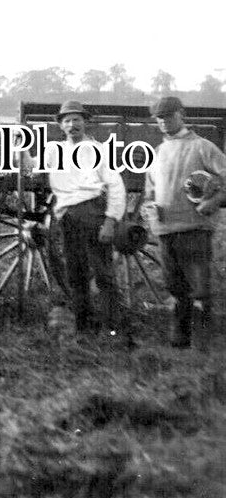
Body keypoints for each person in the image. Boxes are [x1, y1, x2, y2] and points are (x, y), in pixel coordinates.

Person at [145, 96, 226, 348]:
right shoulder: (157, 153)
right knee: (174, 287)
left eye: (168, 116)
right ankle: (180, 341)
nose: (163, 121)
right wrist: (152, 216)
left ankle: (203, 345)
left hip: (195, 229)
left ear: (181, 114)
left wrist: (212, 203)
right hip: (166, 231)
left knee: (199, 288)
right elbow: (150, 193)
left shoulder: (202, 146)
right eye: (159, 118)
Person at [45, 100, 126, 339]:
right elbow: (32, 169)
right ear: (61, 125)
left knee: (103, 274)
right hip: (67, 218)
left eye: (76, 120)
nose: (72, 125)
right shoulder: (53, 151)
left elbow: (116, 186)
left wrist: (111, 221)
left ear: (85, 122)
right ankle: (84, 328)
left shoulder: (99, 150)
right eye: (67, 121)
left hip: (93, 213)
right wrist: (19, 149)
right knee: (76, 274)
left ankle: (112, 328)